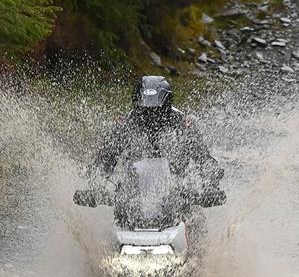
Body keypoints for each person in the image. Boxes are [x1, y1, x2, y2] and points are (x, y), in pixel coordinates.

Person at [89, 75, 224, 194]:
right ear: (137, 105)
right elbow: (107, 155)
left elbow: (201, 155)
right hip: (133, 189)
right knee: (121, 201)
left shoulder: (182, 122)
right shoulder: (126, 123)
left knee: (195, 216)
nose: (151, 116)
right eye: (146, 111)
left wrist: (210, 180)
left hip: (175, 186)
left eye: (156, 111)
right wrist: (96, 182)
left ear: (166, 105)